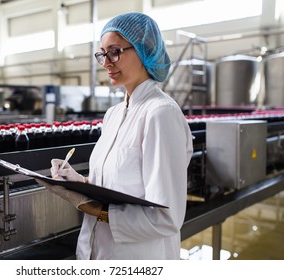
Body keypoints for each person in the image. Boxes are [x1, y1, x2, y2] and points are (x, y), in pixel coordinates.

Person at [36, 12, 193, 260]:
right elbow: (114, 184)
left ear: (144, 51)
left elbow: (166, 217)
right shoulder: (114, 114)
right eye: (102, 53)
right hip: (98, 252)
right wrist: (77, 181)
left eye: (115, 51)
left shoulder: (161, 114)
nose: (107, 62)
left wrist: (90, 207)